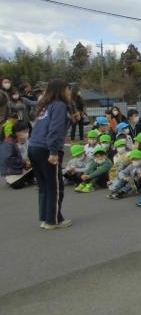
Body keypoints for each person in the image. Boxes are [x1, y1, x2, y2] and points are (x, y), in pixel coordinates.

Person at [27, 79, 73, 229]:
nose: (69, 92)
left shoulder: (45, 106)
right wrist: (53, 151)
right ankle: (53, 220)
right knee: (55, 186)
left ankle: (45, 218)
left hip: (34, 146)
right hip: (47, 149)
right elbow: (55, 130)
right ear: (61, 90)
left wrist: (70, 120)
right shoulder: (59, 106)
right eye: (67, 89)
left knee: (44, 186)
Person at [0, 122, 34, 189]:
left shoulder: (28, 141)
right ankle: (27, 178)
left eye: (27, 130)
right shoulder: (8, 144)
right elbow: (8, 158)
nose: (27, 132)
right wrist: (24, 163)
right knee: (18, 185)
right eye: (24, 130)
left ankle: (29, 178)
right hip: (14, 171)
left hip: (27, 167)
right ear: (17, 133)